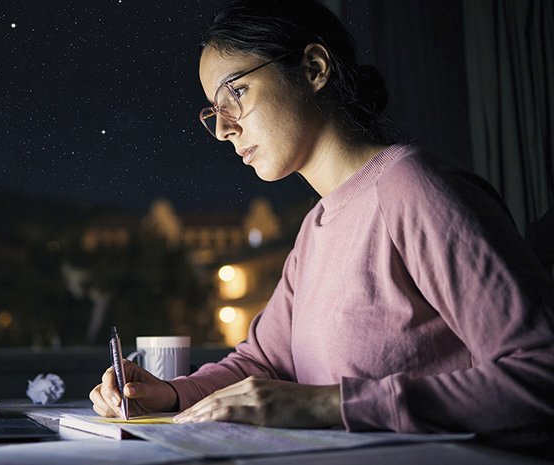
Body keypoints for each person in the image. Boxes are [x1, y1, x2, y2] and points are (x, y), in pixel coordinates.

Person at [89, 0, 554, 454]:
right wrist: (168, 393)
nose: (226, 128)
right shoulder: (316, 228)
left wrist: (330, 403)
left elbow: (539, 373)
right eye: (214, 111)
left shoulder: (414, 189)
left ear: (313, 68)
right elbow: (262, 363)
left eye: (237, 92)